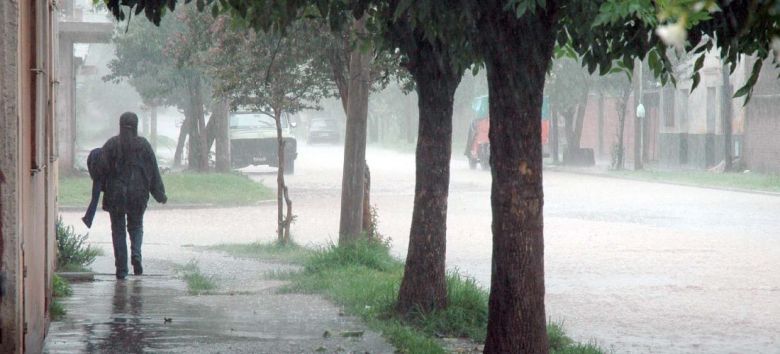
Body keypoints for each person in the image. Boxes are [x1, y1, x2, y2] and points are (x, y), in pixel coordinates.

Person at [99, 112, 167, 279]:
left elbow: (101, 169)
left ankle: (122, 270)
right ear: (136, 126)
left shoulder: (111, 145)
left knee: (118, 230)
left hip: (116, 194)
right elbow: (153, 171)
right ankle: (136, 253)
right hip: (138, 193)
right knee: (136, 226)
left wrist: (102, 188)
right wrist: (159, 194)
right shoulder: (143, 145)